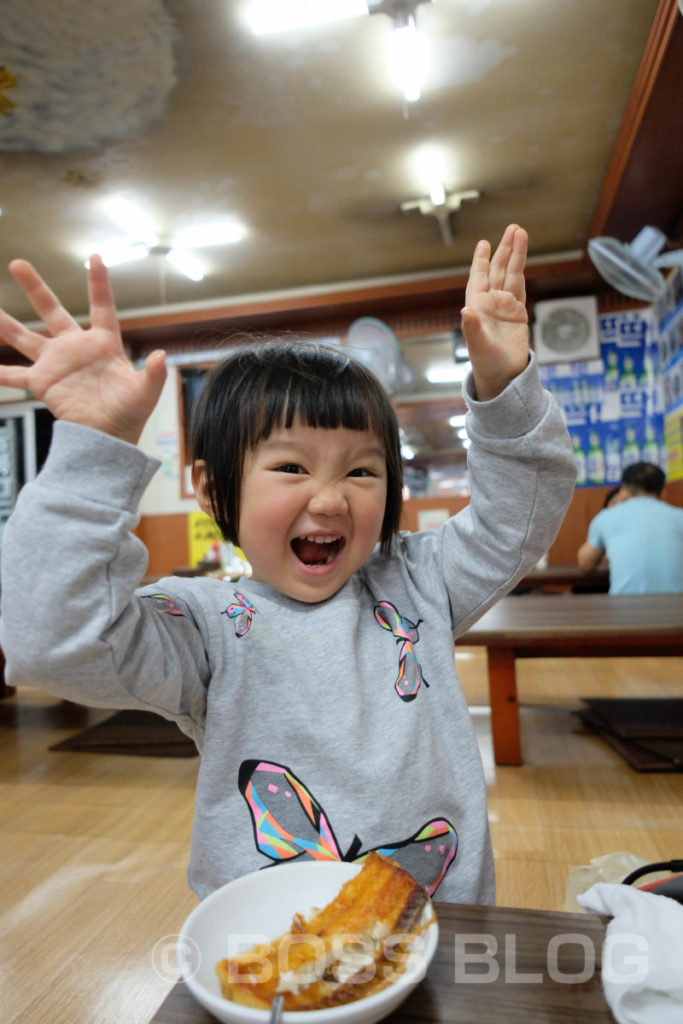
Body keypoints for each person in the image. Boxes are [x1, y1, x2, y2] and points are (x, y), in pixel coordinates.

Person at [0, 225, 576, 905]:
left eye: (362, 470)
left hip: (437, 926)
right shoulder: (205, 627)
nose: (330, 499)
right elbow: (51, 646)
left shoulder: (419, 582)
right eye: (290, 466)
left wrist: (506, 385)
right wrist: (95, 451)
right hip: (269, 939)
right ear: (216, 492)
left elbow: (519, 518)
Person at [577, 461, 683, 593]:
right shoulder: (680, 517)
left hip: (624, 607)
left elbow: (585, 565)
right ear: (663, 491)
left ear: (623, 491)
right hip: (677, 608)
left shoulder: (606, 517)